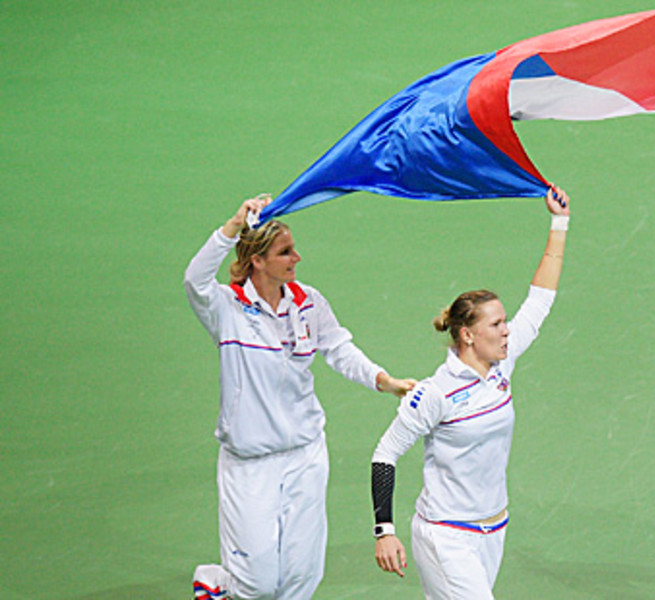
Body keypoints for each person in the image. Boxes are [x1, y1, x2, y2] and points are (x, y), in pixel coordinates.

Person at [185, 194, 416, 600]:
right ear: (257, 260)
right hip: (250, 463)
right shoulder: (226, 307)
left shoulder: (308, 302)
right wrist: (234, 224)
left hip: (306, 454)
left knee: (300, 579)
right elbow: (194, 279)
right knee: (255, 582)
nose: (297, 258)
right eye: (285, 252)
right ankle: (212, 583)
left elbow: (340, 349)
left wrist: (385, 380)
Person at [370, 185, 570, 599]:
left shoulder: (502, 364)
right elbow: (385, 455)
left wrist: (559, 222)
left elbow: (541, 299)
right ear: (467, 335)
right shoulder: (434, 394)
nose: (506, 330)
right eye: (495, 324)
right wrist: (384, 531)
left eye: (503, 321)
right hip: (445, 536)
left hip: (493, 529)